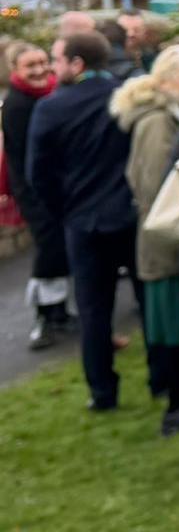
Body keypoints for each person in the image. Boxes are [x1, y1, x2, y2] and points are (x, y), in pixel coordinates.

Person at [25, 31, 137, 411]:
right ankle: (167, 381)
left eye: (57, 61)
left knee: (94, 312)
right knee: (150, 300)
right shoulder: (125, 96)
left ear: (77, 64)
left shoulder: (51, 109)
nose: (53, 69)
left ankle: (103, 393)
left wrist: (64, 212)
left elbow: (37, 174)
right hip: (129, 214)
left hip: (82, 222)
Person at [113, 44, 179, 435]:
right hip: (166, 243)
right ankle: (178, 404)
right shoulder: (157, 123)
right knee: (174, 328)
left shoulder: (174, 115)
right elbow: (156, 189)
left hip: (173, 239)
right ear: (174, 81)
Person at [2, 41, 71, 349]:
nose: (40, 70)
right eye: (31, 65)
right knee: (49, 251)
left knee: (59, 250)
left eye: (43, 62)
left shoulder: (54, 94)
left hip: (57, 187)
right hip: (34, 192)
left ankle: (59, 313)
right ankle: (44, 316)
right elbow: (22, 159)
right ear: (15, 70)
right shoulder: (17, 106)